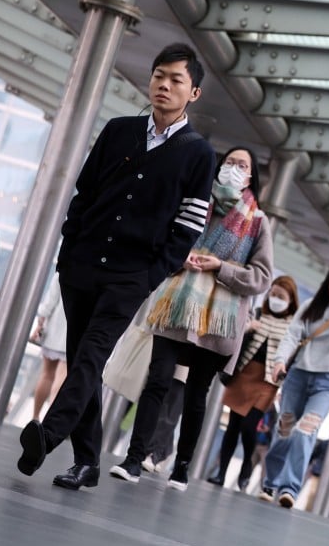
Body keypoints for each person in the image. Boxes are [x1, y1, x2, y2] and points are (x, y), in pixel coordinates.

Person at [16, 43, 216, 490]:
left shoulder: (198, 154)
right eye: (158, 75)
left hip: (131, 275)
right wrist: (68, 255)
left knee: (91, 354)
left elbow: (188, 223)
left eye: (176, 79)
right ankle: (87, 461)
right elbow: (84, 193)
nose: (163, 85)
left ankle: (47, 436)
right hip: (83, 265)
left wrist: (152, 274)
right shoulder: (118, 130)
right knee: (81, 356)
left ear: (194, 92)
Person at [110, 145, 273, 490]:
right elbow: (162, 241)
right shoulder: (196, 203)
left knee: (196, 394)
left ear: (251, 176)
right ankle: (134, 459)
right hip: (176, 306)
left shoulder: (258, 222)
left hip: (218, 320)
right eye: (229, 162)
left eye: (242, 165)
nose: (234, 168)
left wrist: (222, 268)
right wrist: (179, 257)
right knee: (157, 380)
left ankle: (181, 467)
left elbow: (261, 277)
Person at [259, 262, 329, 508]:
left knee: (304, 432)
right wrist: (279, 361)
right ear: (327, 285)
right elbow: (292, 336)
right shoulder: (311, 308)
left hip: (326, 383)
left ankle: (289, 489)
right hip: (297, 377)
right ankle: (271, 482)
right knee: (285, 432)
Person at [209, 275, 299, 490]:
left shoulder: (293, 326)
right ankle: (221, 473)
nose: (275, 298)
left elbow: (291, 355)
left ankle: (247, 463)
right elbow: (238, 337)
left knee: (249, 427)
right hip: (244, 373)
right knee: (232, 426)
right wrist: (248, 328)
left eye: (281, 296)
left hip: (268, 380)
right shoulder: (258, 314)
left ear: (291, 300)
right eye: (273, 294)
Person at [30, 275, 68, 421]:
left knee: (46, 374)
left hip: (54, 329)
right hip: (75, 333)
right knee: (62, 379)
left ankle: (35, 417)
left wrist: (40, 324)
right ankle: (49, 422)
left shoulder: (65, 267)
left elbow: (50, 301)